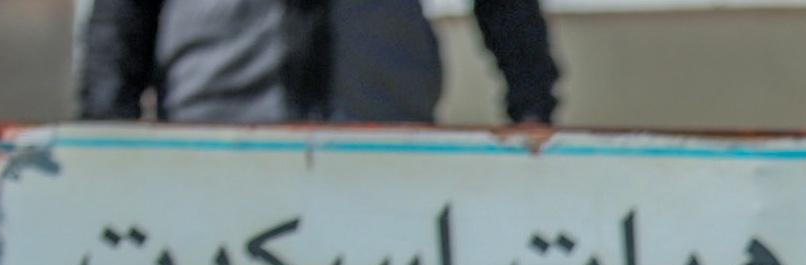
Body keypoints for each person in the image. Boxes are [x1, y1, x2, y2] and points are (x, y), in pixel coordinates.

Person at [77, 0, 559, 126]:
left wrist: (532, 108)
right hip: (212, 144)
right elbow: (120, 16)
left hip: (382, 145)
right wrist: (106, 132)